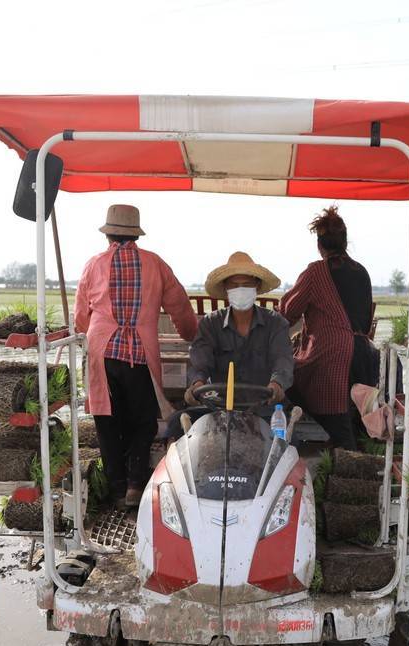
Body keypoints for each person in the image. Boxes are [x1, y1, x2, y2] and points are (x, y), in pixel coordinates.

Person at [74, 204, 198, 509]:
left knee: (107, 420)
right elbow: (179, 305)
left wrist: (84, 333)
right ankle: (134, 485)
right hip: (139, 352)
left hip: (101, 352)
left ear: (108, 235)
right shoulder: (155, 264)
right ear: (135, 235)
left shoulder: (93, 265)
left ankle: (116, 489)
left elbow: (80, 316)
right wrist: (190, 334)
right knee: (142, 421)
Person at [280, 206, 376, 450]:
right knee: (346, 425)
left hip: (332, 357)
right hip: (365, 356)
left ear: (319, 245)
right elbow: (364, 322)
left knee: (287, 377)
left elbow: (287, 312)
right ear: (345, 242)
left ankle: (343, 459)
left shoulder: (316, 272)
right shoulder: (362, 271)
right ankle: (347, 452)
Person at [175, 252, 293, 436]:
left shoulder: (276, 323)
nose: (241, 289)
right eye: (234, 285)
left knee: (285, 446)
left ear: (257, 286)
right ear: (226, 289)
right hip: (219, 408)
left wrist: (276, 385)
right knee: (176, 424)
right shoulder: (210, 324)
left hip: (264, 409)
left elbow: (283, 362)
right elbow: (200, 364)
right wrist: (197, 384)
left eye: (246, 285)